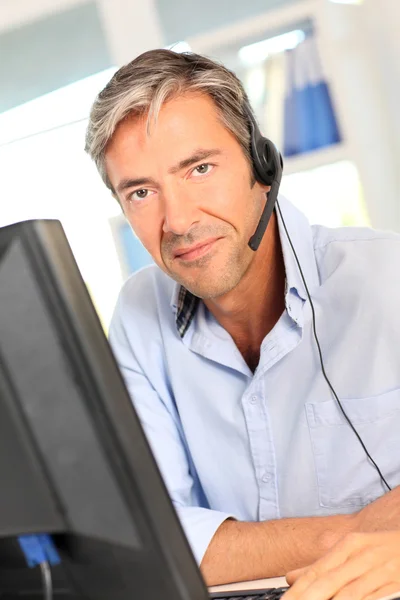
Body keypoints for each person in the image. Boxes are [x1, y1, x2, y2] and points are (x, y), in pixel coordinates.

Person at [85, 49, 400, 587]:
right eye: (141, 192)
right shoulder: (139, 318)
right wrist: (358, 536)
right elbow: (153, 537)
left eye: (200, 169)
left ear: (261, 166)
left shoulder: (386, 277)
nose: (179, 221)